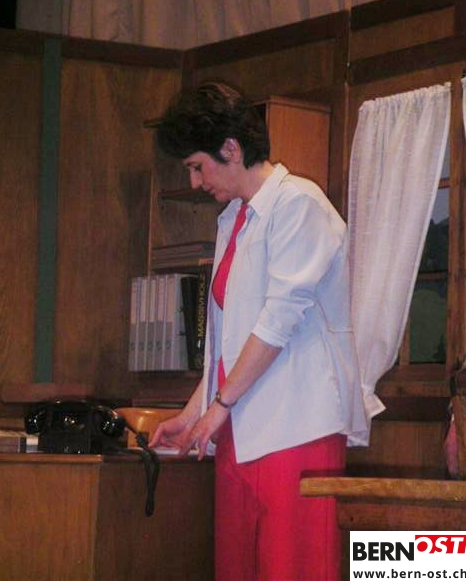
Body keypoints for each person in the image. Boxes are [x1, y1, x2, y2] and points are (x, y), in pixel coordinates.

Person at [150, 82, 367, 581]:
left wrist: (219, 407)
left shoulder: (299, 204)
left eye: (198, 166)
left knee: (292, 570)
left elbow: (276, 323)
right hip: (238, 429)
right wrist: (194, 413)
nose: (196, 181)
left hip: (295, 429)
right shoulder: (233, 219)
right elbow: (229, 341)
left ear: (231, 148)